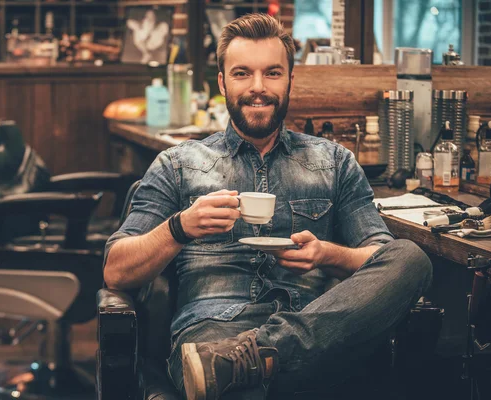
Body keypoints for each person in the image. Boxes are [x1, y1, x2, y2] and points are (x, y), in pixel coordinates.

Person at [104, 13, 432, 400]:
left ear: (290, 80)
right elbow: (116, 270)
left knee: (412, 258)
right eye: (242, 73)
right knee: (232, 383)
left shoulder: (334, 162)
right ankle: (246, 362)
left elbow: (381, 257)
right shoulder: (177, 164)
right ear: (223, 82)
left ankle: (257, 356)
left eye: (272, 73)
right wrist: (180, 227)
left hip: (312, 333)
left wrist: (327, 254)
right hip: (213, 330)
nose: (258, 88)